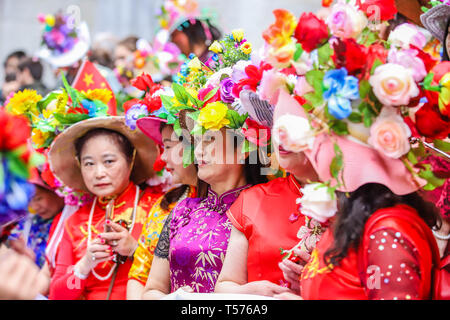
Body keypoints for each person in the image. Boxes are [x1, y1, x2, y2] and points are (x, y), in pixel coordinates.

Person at [47, 116, 161, 300]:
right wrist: (84, 266)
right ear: (80, 166)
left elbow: (181, 272)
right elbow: (58, 295)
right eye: (89, 164)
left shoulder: (157, 207)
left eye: (109, 161)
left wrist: (134, 249)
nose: (99, 173)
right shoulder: (75, 222)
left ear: (130, 160)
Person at [126, 116, 198, 299]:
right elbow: (139, 276)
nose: (163, 157)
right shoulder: (164, 207)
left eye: (167, 147)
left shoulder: (235, 203)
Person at [8, 169, 65, 269]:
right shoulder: (28, 221)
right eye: (29, 200)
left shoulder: (71, 222)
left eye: (38, 198)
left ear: (55, 192)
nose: (34, 207)